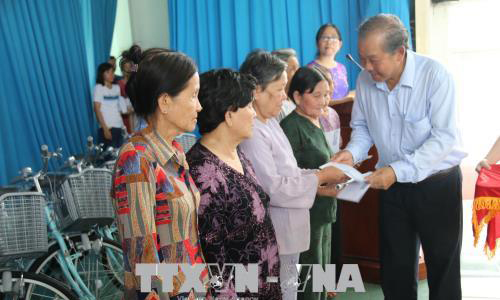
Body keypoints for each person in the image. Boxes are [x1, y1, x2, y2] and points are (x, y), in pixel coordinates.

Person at [333, 14, 466, 300]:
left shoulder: (435, 76)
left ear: (399, 53)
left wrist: (396, 170)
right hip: (392, 188)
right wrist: (350, 153)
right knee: (395, 269)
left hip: (436, 185)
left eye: (373, 59)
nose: (366, 67)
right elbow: (362, 129)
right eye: (362, 58)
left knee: (443, 268)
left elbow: (443, 138)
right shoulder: (366, 80)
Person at [239, 50, 346, 300]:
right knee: (282, 291)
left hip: (291, 225)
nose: (284, 96)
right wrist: (319, 178)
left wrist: (322, 175)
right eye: (279, 89)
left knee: (290, 290)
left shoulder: (270, 121)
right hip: (276, 228)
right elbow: (274, 188)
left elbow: (291, 171)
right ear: (256, 91)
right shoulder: (252, 131)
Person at [111, 46, 209, 300]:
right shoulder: (136, 159)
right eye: (193, 96)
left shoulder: (173, 151)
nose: (199, 106)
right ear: (165, 101)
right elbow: (141, 257)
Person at [187, 69, 281, 299]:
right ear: (229, 115)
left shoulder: (236, 152)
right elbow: (213, 262)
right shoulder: (203, 174)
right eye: (248, 106)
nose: (254, 114)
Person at [280, 67, 337, 300]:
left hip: (324, 212)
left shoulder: (317, 121)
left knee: (322, 272)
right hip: (307, 214)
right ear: (296, 96)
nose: (324, 101)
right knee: (309, 279)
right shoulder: (291, 127)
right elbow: (289, 177)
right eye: (317, 95)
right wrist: (321, 187)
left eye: (326, 94)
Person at [308, 24, 352, 104]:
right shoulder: (310, 69)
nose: (329, 41)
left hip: (345, 113)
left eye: (334, 38)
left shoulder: (342, 68)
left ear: (340, 44)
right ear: (317, 43)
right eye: (325, 37)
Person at [93, 62, 130, 149]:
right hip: (108, 128)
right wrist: (105, 128)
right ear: (102, 74)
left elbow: (119, 108)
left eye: (112, 72)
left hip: (119, 126)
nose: (111, 74)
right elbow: (97, 109)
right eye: (108, 72)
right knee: (108, 158)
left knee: (121, 156)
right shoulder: (99, 88)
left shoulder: (116, 88)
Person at [273, 48, 300, 122]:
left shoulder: (295, 97)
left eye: (298, 67)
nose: (298, 72)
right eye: (293, 69)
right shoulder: (276, 104)